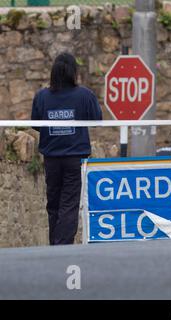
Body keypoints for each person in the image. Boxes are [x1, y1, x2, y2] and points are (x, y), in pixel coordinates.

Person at [31, 52, 103, 245]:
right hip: (75, 158)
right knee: (69, 204)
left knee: (53, 203)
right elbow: (97, 121)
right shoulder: (85, 95)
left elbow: (36, 125)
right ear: (74, 72)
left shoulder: (42, 96)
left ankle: (55, 243)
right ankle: (62, 246)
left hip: (51, 158)